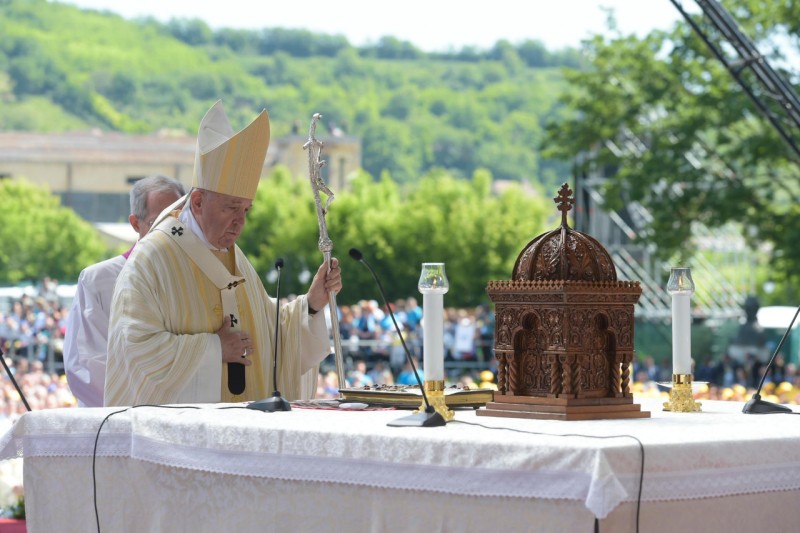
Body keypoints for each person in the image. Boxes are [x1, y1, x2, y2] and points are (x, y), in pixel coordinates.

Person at [104, 100, 342, 406]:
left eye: (246, 210)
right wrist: (215, 350)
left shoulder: (233, 256)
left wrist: (311, 305)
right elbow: (135, 347)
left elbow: (268, 331)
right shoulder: (153, 258)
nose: (240, 221)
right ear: (199, 202)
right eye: (231, 208)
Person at [63, 175, 185, 407]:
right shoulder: (98, 280)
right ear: (135, 223)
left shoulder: (194, 277)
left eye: (177, 220)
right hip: (117, 419)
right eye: (158, 221)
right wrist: (147, 405)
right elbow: (85, 368)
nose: (171, 230)